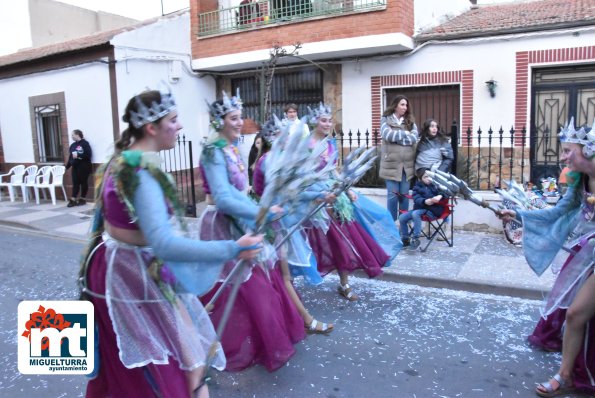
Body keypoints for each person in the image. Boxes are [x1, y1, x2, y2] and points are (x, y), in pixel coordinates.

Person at [80, 89, 263, 398]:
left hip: (115, 267)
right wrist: (233, 248)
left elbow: (111, 223)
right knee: (174, 366)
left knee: (179, 357)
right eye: (174, 120)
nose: (180, 127)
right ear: (152, 127)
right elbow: (163, 244)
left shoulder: (121, 160)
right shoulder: (141, 173)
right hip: (132, 274)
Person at [198, 91, 306, 372]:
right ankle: (203, 345)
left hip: (240, 221)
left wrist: (262, 213)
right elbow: (222, 197)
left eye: (240, 117)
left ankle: (245, 342)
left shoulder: (232, 148)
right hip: (220, 226)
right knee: (226, 287)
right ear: (219, 121)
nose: (239, 123)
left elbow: (240, 192)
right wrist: (261, 213)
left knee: (253, 284)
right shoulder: (212, 151)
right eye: (233, 118)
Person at [498, 119, 595, 397]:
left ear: (588, 149)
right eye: (563, 151)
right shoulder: (580, 181)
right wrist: (518, 215)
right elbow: (555, 213)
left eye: (568, 150)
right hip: (587, 254)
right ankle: (566, 376)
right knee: (575, 315)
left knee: (576, 314)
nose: (563, 157)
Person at [251, 115, 333, 333]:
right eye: (283, 135)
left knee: (280, 276)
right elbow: (264, 192)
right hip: (274, 225)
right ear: (272, 137)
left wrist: (322, 193)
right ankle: (305, 320)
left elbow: (298, 190)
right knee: (282, 276)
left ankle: (287, 317)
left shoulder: (282, 160)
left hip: (285, 222)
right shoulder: (267, 161)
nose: (289, 139)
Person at [305, 103, 392, 301]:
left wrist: (347, 189)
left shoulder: (330, 143)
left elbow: (334, 170)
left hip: (334, 194)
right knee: (304, 242)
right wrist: (315, 193)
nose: (327, 124)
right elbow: (302, 173)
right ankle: (287, 286)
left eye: (329, 120)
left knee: (342, 239)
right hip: (313, 196)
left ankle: (344, 284)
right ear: (315, 121)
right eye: (323, 120)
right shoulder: (306, 144)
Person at [379, 95, 419, 221]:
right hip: (390, 165)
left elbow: (414, 138)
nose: (405, 107)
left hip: (406, 167)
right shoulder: (385, 120)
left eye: (406, 105)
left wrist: (397, 139)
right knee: (392, 196)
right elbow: (387, 135)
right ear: (395, 105)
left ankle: (403, 224)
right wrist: (404, 133)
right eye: (402, 104)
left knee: (404, 196)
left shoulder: (410, 122)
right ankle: (391, 224)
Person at [415, 118, 454, 240]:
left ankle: (448, 228)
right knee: (426, 200)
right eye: (431, 126)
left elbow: (449, 158)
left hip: (439, 177)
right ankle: (426, 227)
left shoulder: (443, 141)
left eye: (436, 126)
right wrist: (423, 174)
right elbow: (418, 160)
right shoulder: (420, 144)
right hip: (424, 178)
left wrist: (438, 173)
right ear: (427, 128)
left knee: (442, 202)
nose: (434, 128)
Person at [399, 168, 445, 250]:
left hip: (432, 210)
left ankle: (415, 238)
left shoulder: (436, 185)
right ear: (420, 179)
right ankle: (405, 239)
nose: (428, 179)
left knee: (415, 214)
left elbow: (445, 192)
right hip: (420, 208)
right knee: (402, 217)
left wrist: (439, 196)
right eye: (425, 177)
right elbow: (416, 198)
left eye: (430, 176)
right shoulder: (417, 187)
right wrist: (424, 201)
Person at [66, 129, 93, 207]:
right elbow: (70, 157)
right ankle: (73, 199)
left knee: (83, 182)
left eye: (72, 135)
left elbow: (88, 155)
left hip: (84, 167)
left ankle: (82, 198)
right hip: (75, 167)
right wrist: (67, 166)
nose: (71, 136)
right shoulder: (73, 145)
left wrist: (78, 156)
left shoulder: (85, 144)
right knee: (75, 183)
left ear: (77, 135)